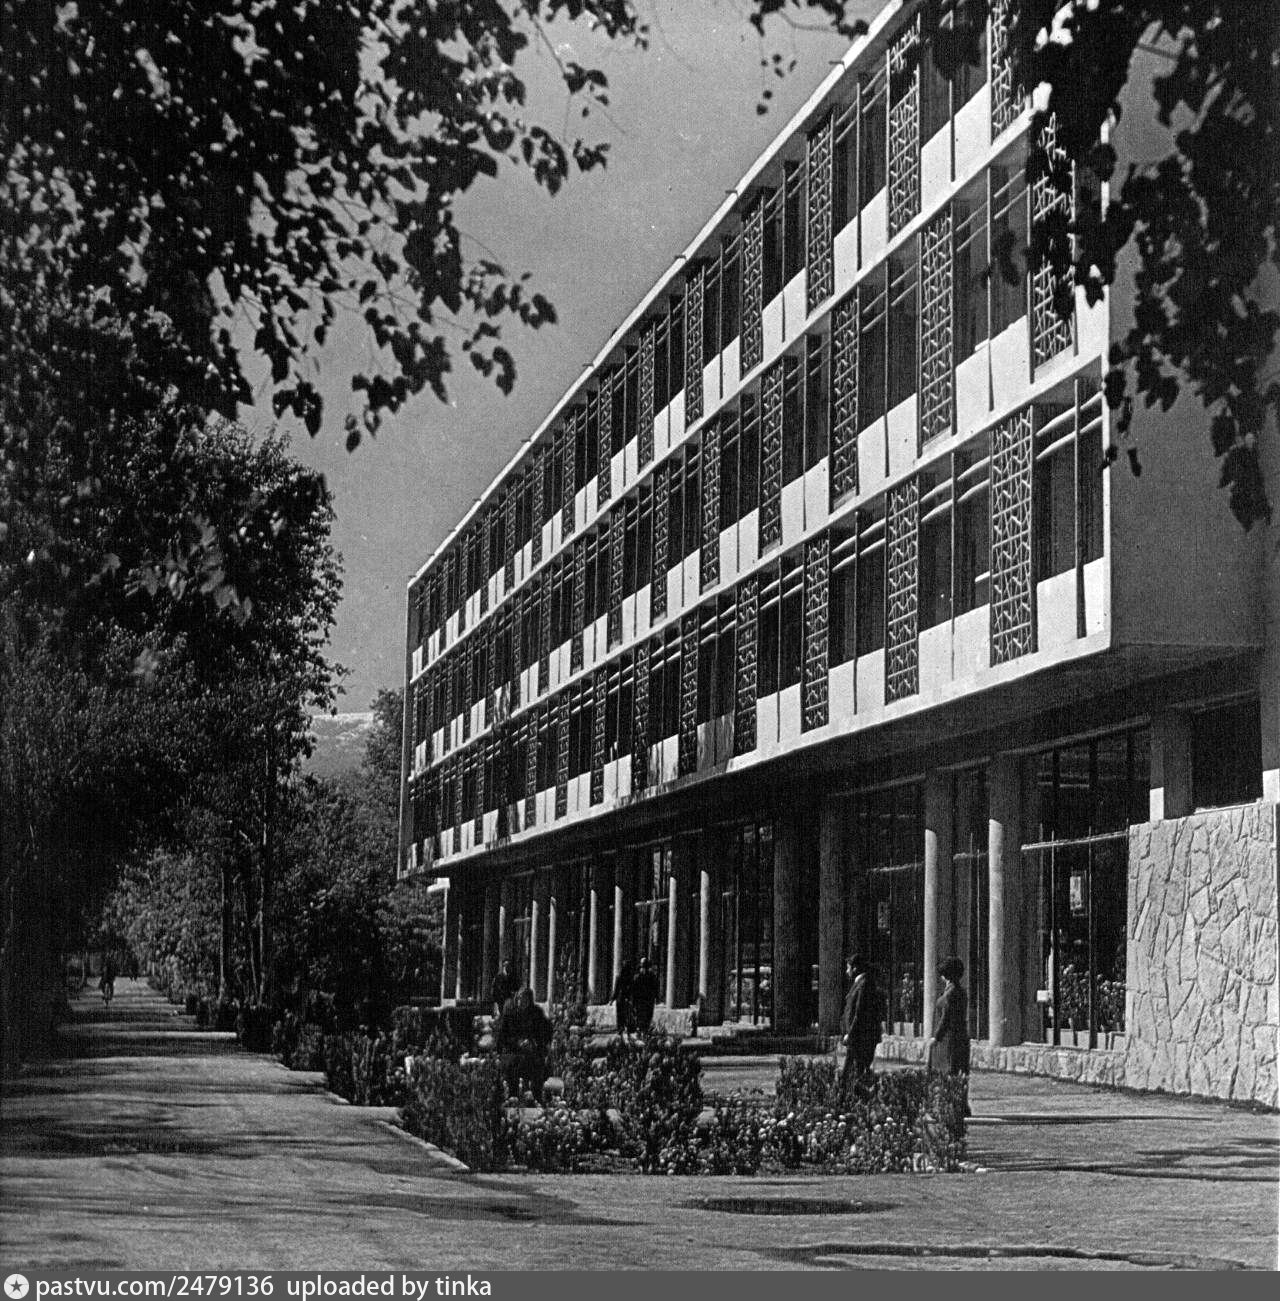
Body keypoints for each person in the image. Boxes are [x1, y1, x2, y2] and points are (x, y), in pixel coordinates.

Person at [494, 987, 552, 1100]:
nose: (521, 1001)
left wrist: (533, 1043)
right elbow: (502, 1036)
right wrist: (517, 1042)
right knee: (512, 1064)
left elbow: (546, 1032)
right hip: (513, 1051)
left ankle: (536, 1098)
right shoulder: (510, 1014)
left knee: (538, 1064)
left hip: (532, 1051)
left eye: (525, 999)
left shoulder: (537, 1013)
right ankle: (513, 1096)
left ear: (529, 1000)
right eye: (520, 998)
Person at [840, 954, 883, 1089]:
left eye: (848, 968)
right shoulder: (860, 984)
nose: (847, 971)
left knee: (853, 1075)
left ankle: (853, 1097)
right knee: (851, 1075)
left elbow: (859, 1013)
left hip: (861, 1039)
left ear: (855, 968)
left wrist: (850, 1034)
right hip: (857, 1038)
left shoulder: (865, 985)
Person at [928, 956, 972, 1084]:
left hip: (949, 1040)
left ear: (945, 975)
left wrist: (936, 1037)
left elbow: (946, 1018)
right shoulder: (961, 992)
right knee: (959, 1075)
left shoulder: (950, 993)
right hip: (961, 1037)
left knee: (949, 1073)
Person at [629, 957, 660, 1033]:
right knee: (643, 1016)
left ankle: (643, 1030)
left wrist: (656, 997)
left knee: (645, 1016)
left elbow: (655, 987)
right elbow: (633, 989)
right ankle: (642, 1030)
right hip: (643, 1000)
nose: (644, 969)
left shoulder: (648, 976)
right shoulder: (643, 976)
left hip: (645, 1000)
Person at [610, 960, 635, 1036]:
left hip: (620, 998)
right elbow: (632, 989)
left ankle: (620, 1028)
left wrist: (612, 999)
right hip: (626, 998)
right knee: (627, 1014)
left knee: (620, 1015)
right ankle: (626, 1028)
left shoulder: (619, 977)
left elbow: (616, 990)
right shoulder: (630, 977)